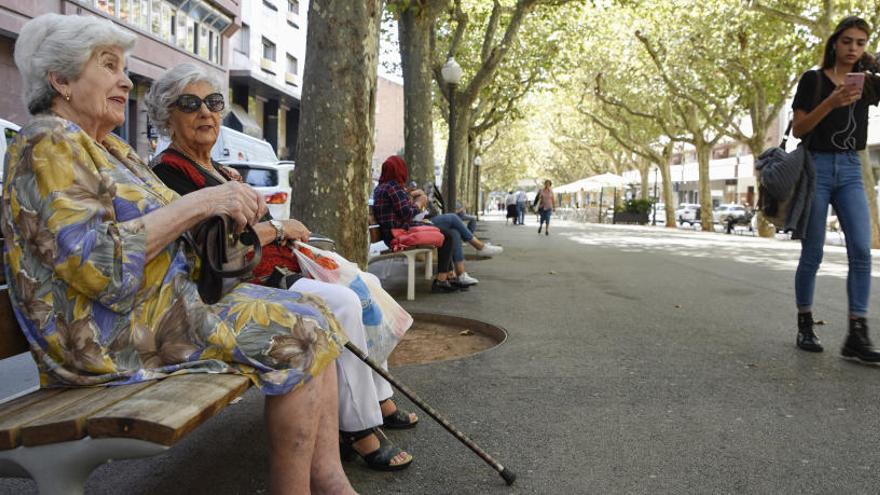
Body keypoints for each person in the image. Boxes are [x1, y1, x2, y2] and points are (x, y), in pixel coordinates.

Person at [3, 14, 356, 493]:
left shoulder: (108, 148)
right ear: (60, 79)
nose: (126, 80)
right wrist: (206, 200)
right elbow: (100, 268)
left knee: (316, 311)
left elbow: (178, 229)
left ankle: (329, 480)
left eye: (124, 67)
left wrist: (228, 208)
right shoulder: (47, 143)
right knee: (299, 332)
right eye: (109, 66)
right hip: (103, 337)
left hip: (158, 311)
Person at [146, 63, 415, 471]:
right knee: (339, 303)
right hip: (235, 289)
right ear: (168, 115)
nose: (206, 112)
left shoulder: (219, 171)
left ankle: (377, 399)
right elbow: (217, 257)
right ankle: (358, 428)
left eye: (214, 102)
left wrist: (279, 232)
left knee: (361, 286)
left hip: (269, 272)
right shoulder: (169, 173)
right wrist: (276, 228)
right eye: (190, 104)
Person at [790, 16, 880, 362]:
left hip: (852, 169)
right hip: (817, 168)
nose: (852, 48)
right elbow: (799, 129)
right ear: (834, 43)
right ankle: (805, 324)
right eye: (847, 42)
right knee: (812, 252)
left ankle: (857, 333)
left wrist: (872, 64)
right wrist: (832, 102)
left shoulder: (868, 84)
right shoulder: (813, 80)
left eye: (860, 42)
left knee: (861, 249)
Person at [373, 156, 499, 291]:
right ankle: (475, 250)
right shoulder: (393, 187)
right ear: (400, 170)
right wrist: (420, 202)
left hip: (394, 233)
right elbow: (407, 213)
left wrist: (411, 199)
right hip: (401, 234)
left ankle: (450, 276)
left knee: (452, 232)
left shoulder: (380, 188)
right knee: (452, 220)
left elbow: (399, 212)